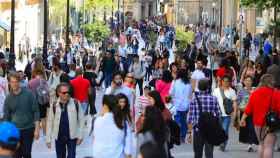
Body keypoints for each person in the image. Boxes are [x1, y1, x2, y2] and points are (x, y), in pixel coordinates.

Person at [240, 74, 279, 158]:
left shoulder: (255, 93)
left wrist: (243, 119)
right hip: (271, 124)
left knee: (261, 144)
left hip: (257, 123)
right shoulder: (276, 93)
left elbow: (249, 108)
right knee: (269, 146)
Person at [3, 72, 40, 158]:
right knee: (16, 155)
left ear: (19, 82)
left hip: (28, 129)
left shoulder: (29, 94)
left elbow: (36, 111)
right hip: (15, 131)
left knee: (26, 153)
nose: (14, 84)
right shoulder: (8, 98)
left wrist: (37, 129)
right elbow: (6, 117)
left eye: (16, 81)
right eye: (12, 82)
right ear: (9, 83)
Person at [46, 83, 84, 158]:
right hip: (59, 137)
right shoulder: (54, 105)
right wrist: (48, 139)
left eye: (68, 92)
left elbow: (81, 120)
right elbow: (50, 122)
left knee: (72, 156)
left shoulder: (76, 103)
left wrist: (80, 136)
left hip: (72, 137)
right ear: (59, 93)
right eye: (64, 93)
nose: (67, 94)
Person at [187, 79, 221, 158]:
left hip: (198, 130)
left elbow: (190, 117)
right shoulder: (214, 99)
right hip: (210, 130)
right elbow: (218, 114)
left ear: (198, 87)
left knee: (197, 153)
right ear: (208, 87)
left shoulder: (194, 100)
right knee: (209, 154)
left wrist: (189, 132)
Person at [212, 75, 238, 151]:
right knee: (220, 130)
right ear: (221, 82)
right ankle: (222, 142)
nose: (226, 83)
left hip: (227, 115)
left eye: (227, 81)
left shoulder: (232, 91)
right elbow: (213, 102)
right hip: (218, 114)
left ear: (229, 82)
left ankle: (223, 144)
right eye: (224, 81)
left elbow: (234, 103)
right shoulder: (216, 90)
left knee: (225, 129)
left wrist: (235, 113)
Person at [169, 69, 192, 142]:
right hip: (185, 105)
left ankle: (177, 135)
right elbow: (190, 94)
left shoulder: (175, 82)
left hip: (177, 105)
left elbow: (171, 92)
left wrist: (172, 99)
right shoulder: (188, 83)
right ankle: (182, 136)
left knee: (177, 121)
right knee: (184, 121)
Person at [237, 76, 258, 152]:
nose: (248, 82)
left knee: (251, 128)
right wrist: (240, 108)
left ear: (252, 82)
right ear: (244, 82)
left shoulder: (255, 90)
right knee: (246, 128)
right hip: (244, 111)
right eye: (246, 80)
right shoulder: (241, 91)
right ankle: (249, 143)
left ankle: (250, 144)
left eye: (249, 81)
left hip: (253, 112)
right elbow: (238, 101)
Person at [28, 69, 50, 135]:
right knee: (44, 118)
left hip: (33, 102)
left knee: (35, 118)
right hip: (42, 102)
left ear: (35, 74)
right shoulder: (43, 81)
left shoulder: (30, 82)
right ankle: (45, 133)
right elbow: (47, 91)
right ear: (41, 74)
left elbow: (28, 93)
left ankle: (36, 132)